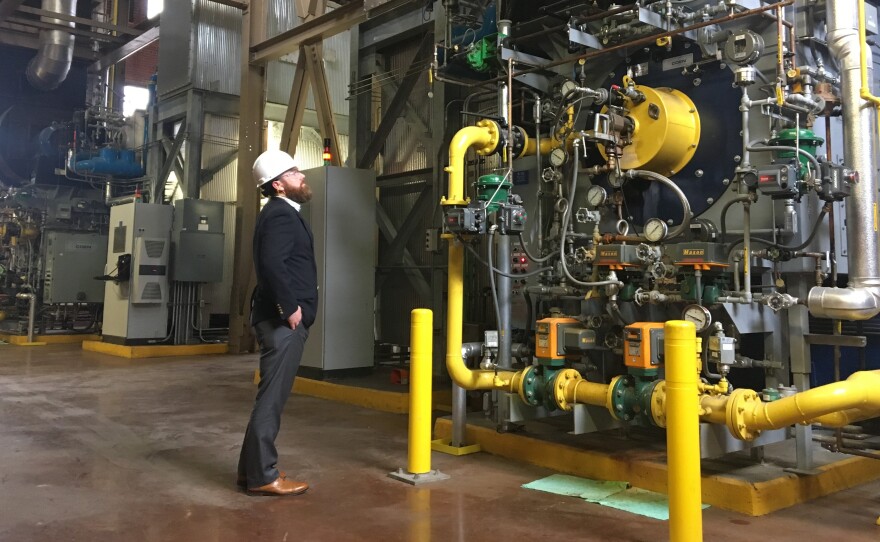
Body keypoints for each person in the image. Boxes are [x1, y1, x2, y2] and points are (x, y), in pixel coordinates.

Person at [237, 149, 318, 496]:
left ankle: (251, 471)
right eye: (294, 172)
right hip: (282, 321)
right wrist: (290, 308)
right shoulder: (281, 214)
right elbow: (272, 264)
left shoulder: (279, 212)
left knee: (268, 398)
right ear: (278, 184)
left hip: (280, 317)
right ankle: (263, 476)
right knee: (271, 400)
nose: (302, 175)